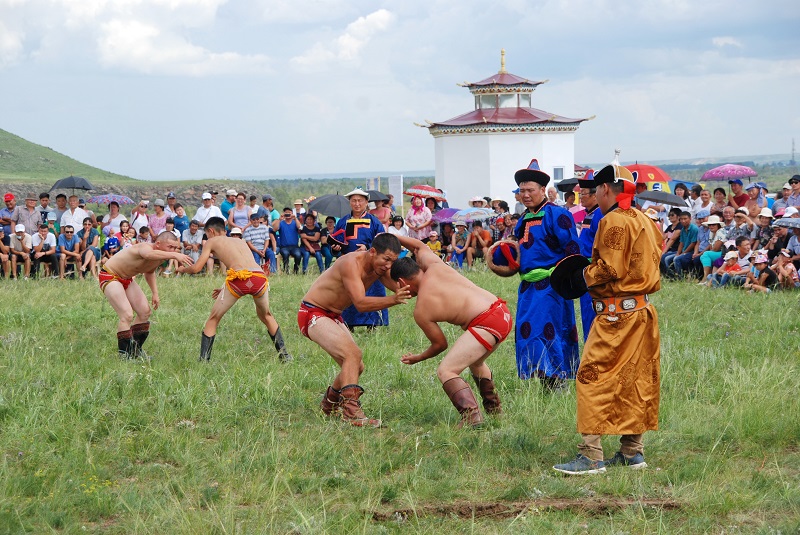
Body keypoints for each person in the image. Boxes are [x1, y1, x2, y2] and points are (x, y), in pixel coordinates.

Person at [549, 163, 662, 475]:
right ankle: (632, 451)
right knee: (636, 380)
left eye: (595, 189)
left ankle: (590, 456)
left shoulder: (612, 220)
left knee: (590, 378)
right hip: (641, 312)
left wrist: (579, 275)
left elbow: (609, 269)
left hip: (616, 317)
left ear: (606, 189)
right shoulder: (642, 217)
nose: (593, 194)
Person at [391, 236, 511, 428]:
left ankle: (472, 417)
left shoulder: (421, 309)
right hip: (502, 312)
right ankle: (494, 411)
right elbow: (419, 245)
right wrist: (392, 236)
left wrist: (418, 358)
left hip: (486, 322)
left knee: (447, 370)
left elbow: (440, 345)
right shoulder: (434, 265)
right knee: (476, 362)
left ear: (401, 281)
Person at [298, 233, 411, 427]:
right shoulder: (350, 263)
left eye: (393, 261)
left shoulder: (380, 268)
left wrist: (427, 278)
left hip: (332, 315)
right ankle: (351, 413)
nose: (389, 266)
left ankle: (328, 406)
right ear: (373, 252)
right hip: (312, 312)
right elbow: (360, 303)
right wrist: (393, 300)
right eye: (386, 260)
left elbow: (406, 288)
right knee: (352, 354)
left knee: (356, 366)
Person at [177, 217, 291, 362]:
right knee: (266, 315)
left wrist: (182, 269)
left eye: (207, 234)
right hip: (259, 277)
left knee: (214, 318)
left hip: (239, 279)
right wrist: (225, 288)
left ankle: (204, 361)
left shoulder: (212, 241)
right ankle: (285, 356)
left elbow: (196, 268)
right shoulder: (240, 241)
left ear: (211, 231)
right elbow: (244, 267)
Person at [512, 159, 581, 390]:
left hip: (552, 285)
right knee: (527, 330)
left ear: (543, 190)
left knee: (548, 329)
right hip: (528, 286)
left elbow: (572, 250)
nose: (526, 195)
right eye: (522, 191)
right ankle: (544, 377)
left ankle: (557, 379)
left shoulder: (557, 215)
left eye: (530, 190)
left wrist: (562, 279)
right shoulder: (522, 220)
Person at [101, 232, 193, 358]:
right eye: (170, 247)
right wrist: (174, 254)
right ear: (158, 244)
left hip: (126, 279)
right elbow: (148, 255)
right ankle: (124, 355)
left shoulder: (160, 257)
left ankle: (135, 351)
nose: (173, 250)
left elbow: (149, 272)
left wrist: (155, 293)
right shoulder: (145, 247)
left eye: (175, 248)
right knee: (127, 315)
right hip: (110, 275)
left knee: (145, 312)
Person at [333, 189, 389, 329]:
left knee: (372, 292)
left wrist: (368, 248)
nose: (357, 204)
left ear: (366, 202)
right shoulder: (343, 222)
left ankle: (374, 324)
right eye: (354, 201)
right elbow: (335, 241)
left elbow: (383, 243)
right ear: (350, 202)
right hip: (349, 266)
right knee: (349, 293)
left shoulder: (374, 222)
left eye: (360, 200)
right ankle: (347, 324)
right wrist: (336, 248)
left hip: (370, 265)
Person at [576, 173, 603, 341]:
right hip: (584, 268)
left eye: (583, 194)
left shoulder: (600, 214)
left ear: (595, 195)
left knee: (592, 312)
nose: (580, 197)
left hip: (593, 268)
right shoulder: (588, 213)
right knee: (586, 312)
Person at [273, 207, 302, 274]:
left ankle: (296, 270)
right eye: (286, 213)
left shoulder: (295, 222)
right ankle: (286, 270)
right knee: (285, 254)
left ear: (292, 213)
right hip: (284, 247)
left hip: (295, 246)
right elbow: (275, 229)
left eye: (289, 212)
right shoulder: (281, 223)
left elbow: (300, 227)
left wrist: (295, 218)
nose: (288, 214)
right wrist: (279, 219)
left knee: (298, 255)